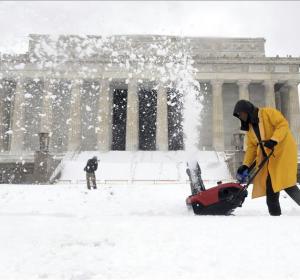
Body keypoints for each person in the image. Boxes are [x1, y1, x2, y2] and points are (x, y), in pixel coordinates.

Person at [233, 100, 300, 216]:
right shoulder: (250, 128)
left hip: (283, 152)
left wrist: (274, 139)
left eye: (242, 114)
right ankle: (275, 216)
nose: (241, 117)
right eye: (239, 116)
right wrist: (246, 165)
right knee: (271, 186)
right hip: (271, 157)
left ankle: (275, 215)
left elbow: (282, 125)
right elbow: (252, 147)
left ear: (248, 111)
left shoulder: (268, 113)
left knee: (286, 183)